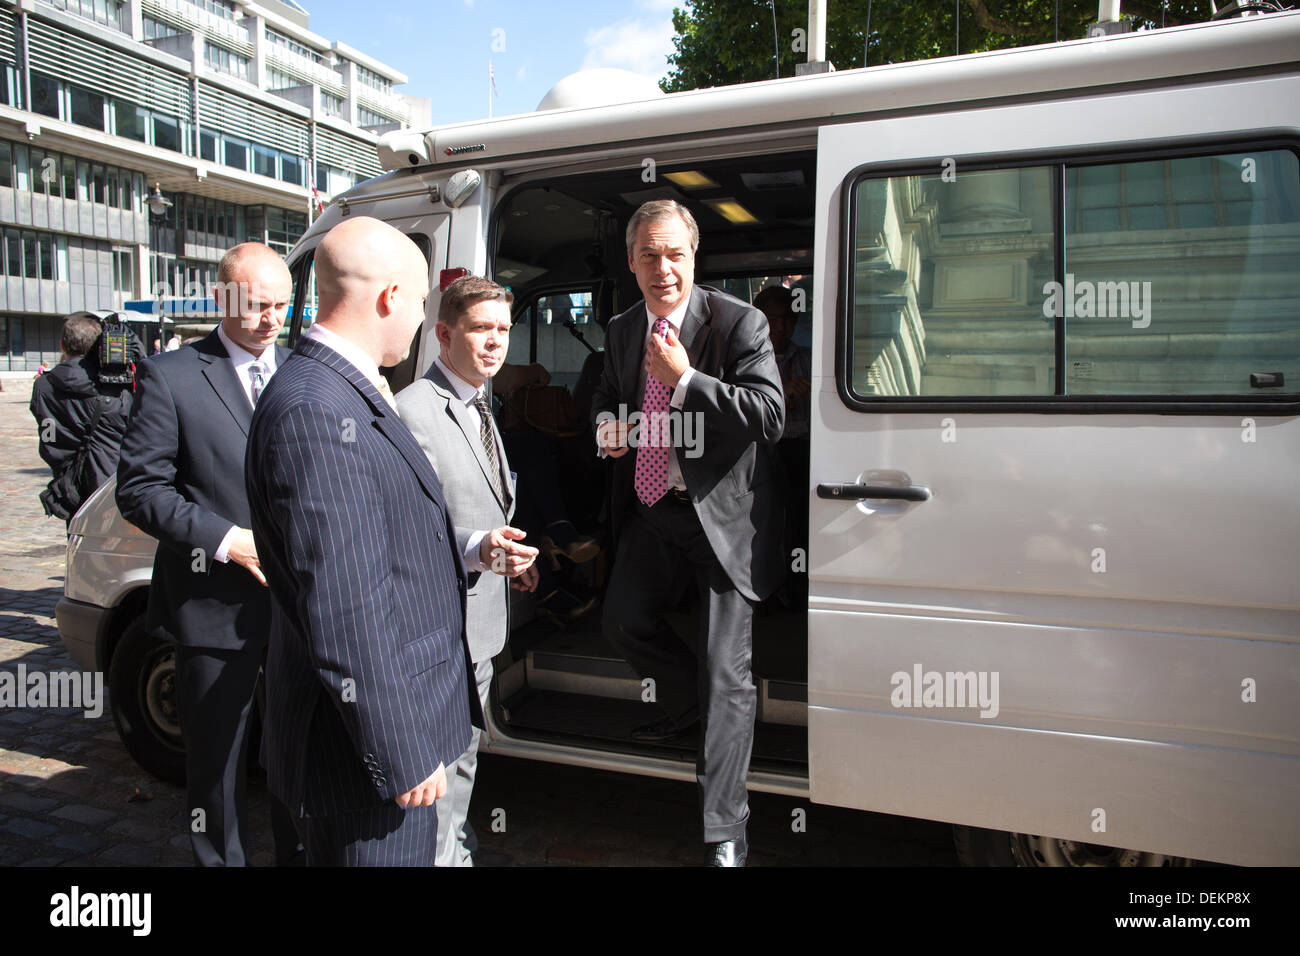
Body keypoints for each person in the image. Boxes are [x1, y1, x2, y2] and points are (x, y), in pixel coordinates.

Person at [245, 216, 480, 866]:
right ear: (390, 297)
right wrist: (400, 752)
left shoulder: (337, 389)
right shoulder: (319, 409)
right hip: (360, 765)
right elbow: (347, 608)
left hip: (374, 739)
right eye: (421, 302)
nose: (419, 325)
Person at [593, 199, 785, 866]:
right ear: (630, 261)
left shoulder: (739, 322)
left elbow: (768, 416)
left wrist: (687, 381)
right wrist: (608, 429)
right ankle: (690, 704)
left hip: (722, 522)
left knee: (728, 676)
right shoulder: (621, 328)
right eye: (648, 254)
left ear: (694, 258)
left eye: (674, 253)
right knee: (621, 622)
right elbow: (608, 399)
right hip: (655, 510)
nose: (662, 268)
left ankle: (725, 833)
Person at [116, 243, 299, 867]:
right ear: (221, 299)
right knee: (218, 762)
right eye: (256, 306)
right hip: (216, 610)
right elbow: (140, 489)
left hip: (301, 607)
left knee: (295, 754)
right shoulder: (172, 375)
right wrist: (226, 540)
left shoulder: (304, 367)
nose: (271, 319)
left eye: (281, 305)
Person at [396, 274, 538, 866]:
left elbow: (482, 497)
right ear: (443, 334)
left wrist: (504, 558)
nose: (495, 342)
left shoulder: (480, 401)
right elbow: (405, 529)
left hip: (477, 621)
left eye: (504, 330)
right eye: (481, 329)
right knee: (439, 760)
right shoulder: (414, 412)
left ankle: (452, 844)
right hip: (436, 626)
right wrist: (479, 546)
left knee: (466, 750)